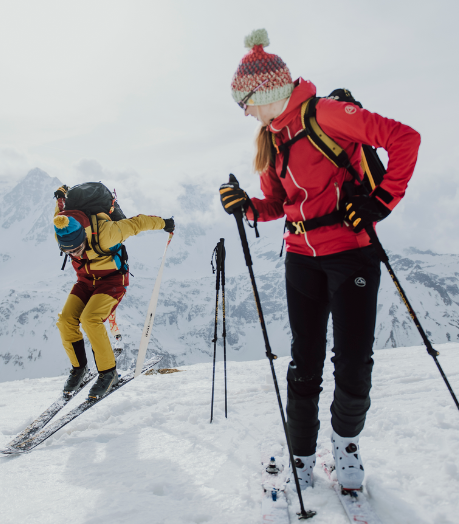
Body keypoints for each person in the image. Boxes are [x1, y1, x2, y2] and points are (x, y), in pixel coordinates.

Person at [219, 29, 420, 490]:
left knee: (352, 361)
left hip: (351, 254)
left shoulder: (325, 114)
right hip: (300, 258)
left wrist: (381, 202)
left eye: (244, 101)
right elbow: (277, 205)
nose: (244, 111)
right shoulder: (271, 140)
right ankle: (302, 455)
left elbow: (404, 138)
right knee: (303, 362)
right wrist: (246, 205)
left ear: (267, 91)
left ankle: (346, 447)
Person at [53, 185, 174, 400]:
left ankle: (109, 374)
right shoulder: (61, 229)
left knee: (90, 319)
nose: (73, 254)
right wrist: (61, 195)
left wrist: (165, 223)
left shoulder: (107, 234)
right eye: (67, 251)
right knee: (65, 320)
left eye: (76, 249)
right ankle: (79, 369)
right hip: (85, 281)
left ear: (83, 234)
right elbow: (60, 212)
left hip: (112, 281)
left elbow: (138, 223)